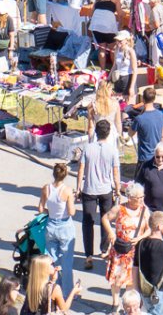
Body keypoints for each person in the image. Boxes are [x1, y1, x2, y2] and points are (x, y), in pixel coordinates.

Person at [79, 118, 122, 265]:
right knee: (106, 220)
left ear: (96, 133)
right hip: (106, 189)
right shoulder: (112, 150)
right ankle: (104, 250)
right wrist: (117, 189)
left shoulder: (87, 148)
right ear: (108, 133)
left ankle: (88, 255)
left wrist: (79, 186)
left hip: (89, 189)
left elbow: (81, 169)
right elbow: (115, 173)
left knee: (88, 222)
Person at [104, 183, 152, 305]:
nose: (142, 200)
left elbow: (150, 228)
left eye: (142, 197)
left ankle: (128, 303)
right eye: (139, 198)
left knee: (131, 280)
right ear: (130, 198)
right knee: (116, 279)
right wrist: (111, 233)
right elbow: (105, 218)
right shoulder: (120, 209)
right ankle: (115, 304)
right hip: (120, 249)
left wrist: (141, 237)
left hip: (136, 251)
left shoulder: (144, 211)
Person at [38, 162, 79, 304]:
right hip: (65, 225)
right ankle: (67, 292)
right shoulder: (67, 191)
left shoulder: (46, 189)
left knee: (51, 259)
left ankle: (52, 288)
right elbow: (72, 212)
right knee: (66, 261)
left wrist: (50, 212)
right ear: (65, 175)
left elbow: (41, 208)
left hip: (51, 224)